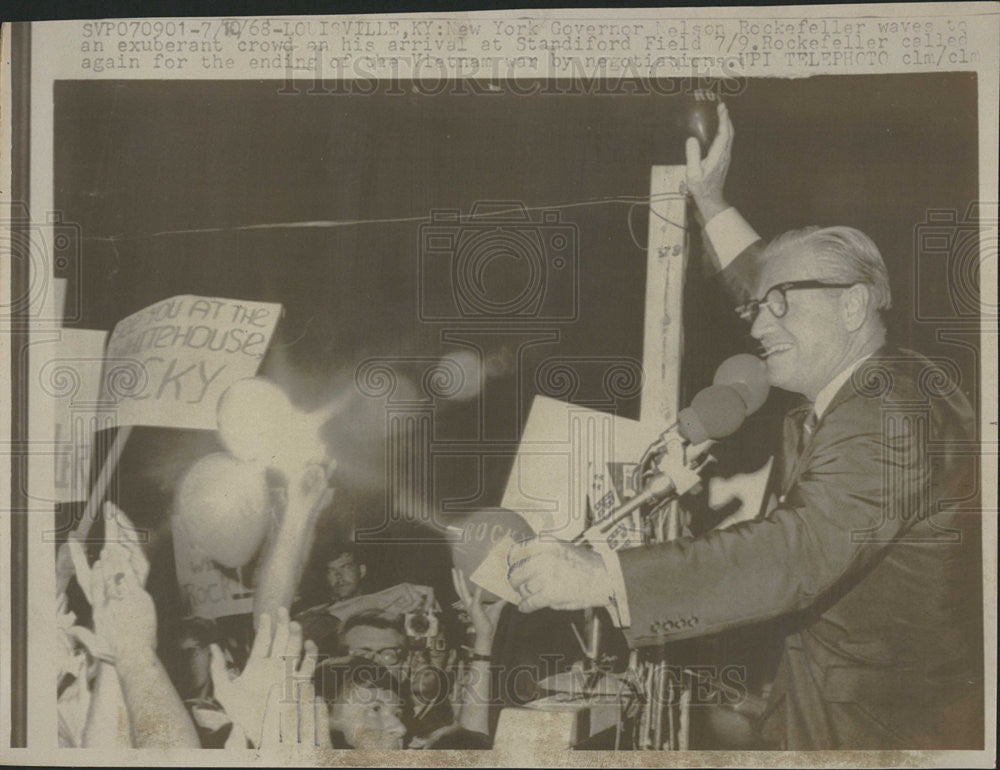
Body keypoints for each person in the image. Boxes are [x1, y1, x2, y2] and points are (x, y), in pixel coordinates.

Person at [506, 103, 983, 750]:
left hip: (885, 732)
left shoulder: (888, 415)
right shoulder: (873, 382)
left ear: (853, 306)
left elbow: (796, 551)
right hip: (833, 711)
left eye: (779, 307)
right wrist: (710, 199)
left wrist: (603, 576)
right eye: (759, 307)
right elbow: (770, 282)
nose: (757, 325)